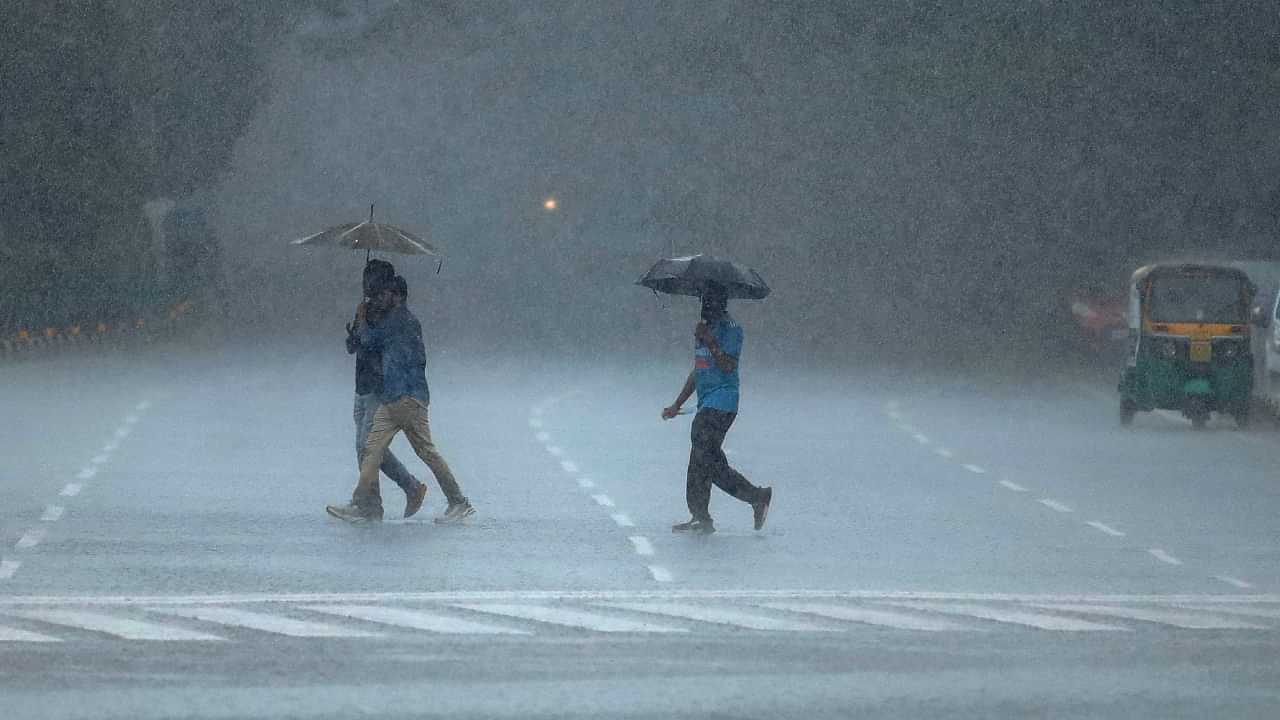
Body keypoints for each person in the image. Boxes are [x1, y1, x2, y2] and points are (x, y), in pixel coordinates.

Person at [327, 275, 475, 523]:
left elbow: (370, 340)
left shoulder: (399, 321)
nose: (380, 298)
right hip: (393, 399)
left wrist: (363, 319)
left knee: (424, 452)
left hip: (408, 399)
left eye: (385, 294)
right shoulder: (400, 320)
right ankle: (363, 503)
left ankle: (458, 502)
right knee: (370, 450)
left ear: (398, 297)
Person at [662, 282, 772, 534]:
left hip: (722, 404)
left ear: (720, 304)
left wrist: (710, 341)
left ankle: (706, 514)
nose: (704, 306)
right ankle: (754, 498)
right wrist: (677, 404)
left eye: (709, 301)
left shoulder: (731, 330)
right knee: (707, 461)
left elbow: (728, 365)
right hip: (706, 404)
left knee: (702, 459)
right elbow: (698, 370)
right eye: (702, 301)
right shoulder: (705, 329)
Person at [346, 262, 427, 519]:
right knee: (367, 447)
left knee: (366, 446)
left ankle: (370, 504)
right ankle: (406, 488)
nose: (367, 284)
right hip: (362, 385)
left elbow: (376, 344)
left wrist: (363, 327)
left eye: (371, 279)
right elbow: (357, 346)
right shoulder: (366, 309)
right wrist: (354, 335)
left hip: (379, 386)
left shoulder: (387, 312)